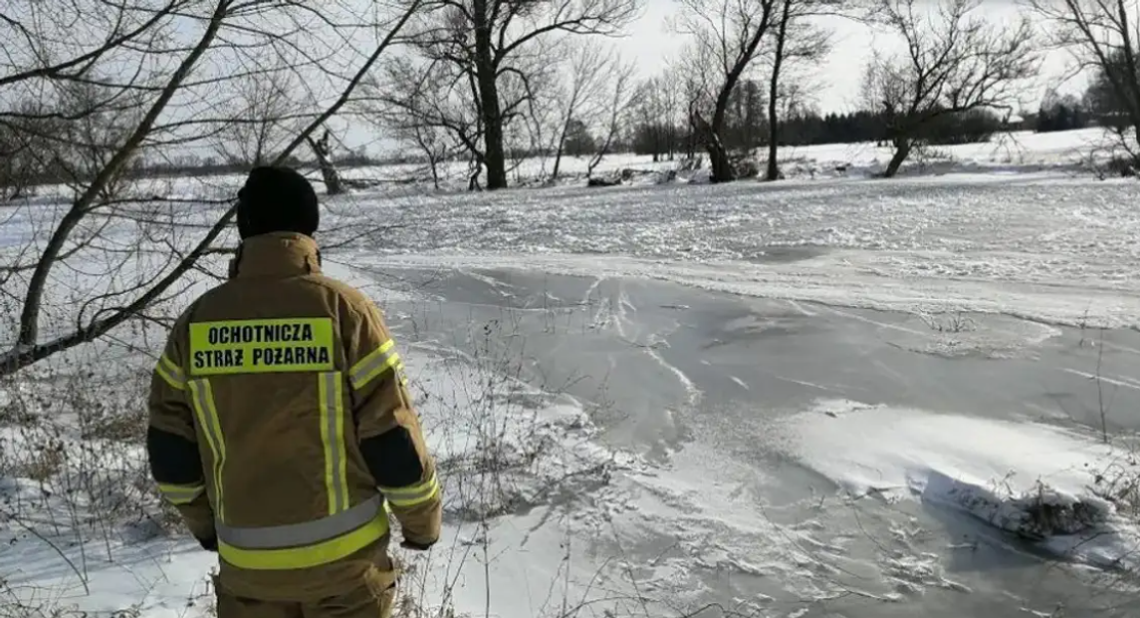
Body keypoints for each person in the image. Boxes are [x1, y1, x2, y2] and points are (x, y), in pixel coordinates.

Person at [145, 166, 441, 618]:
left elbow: (170, 449)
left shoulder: (196, 323)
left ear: (244, 229)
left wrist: (206, 527)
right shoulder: (345, 311)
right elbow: (392, 438)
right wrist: (422, 525)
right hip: (347, 577)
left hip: (248, 576)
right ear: (309, 225)